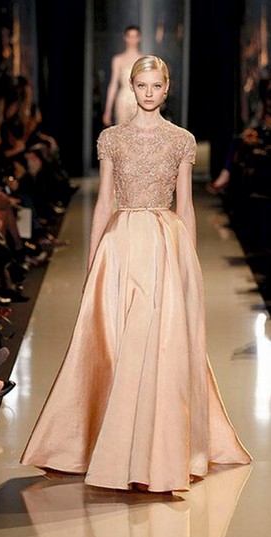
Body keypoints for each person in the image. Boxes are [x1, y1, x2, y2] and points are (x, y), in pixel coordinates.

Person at [20, 55, 251, 493]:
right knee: (118, 343)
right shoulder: (112, 138)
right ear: (132, 87)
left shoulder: (182, 140)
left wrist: (189, 261)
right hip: (121, 244)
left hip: (165, 244)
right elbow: (104, 202)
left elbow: (186, 205)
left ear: (167, 89)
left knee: (159, 343)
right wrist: (93, 259)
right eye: (141, 85)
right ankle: (114, 449)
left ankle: (157, 453)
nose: (148, 93)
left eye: (155, 86)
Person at [102, 26, 143, 126]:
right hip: (123, 100)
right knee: (122, 131)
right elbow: (113, 84)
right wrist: (108, 110)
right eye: (130, 36)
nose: (132, 39)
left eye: (135, 36)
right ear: (125, 38)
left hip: (139, 100)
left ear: (139, 38)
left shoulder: (143, 59)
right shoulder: (118, 59)